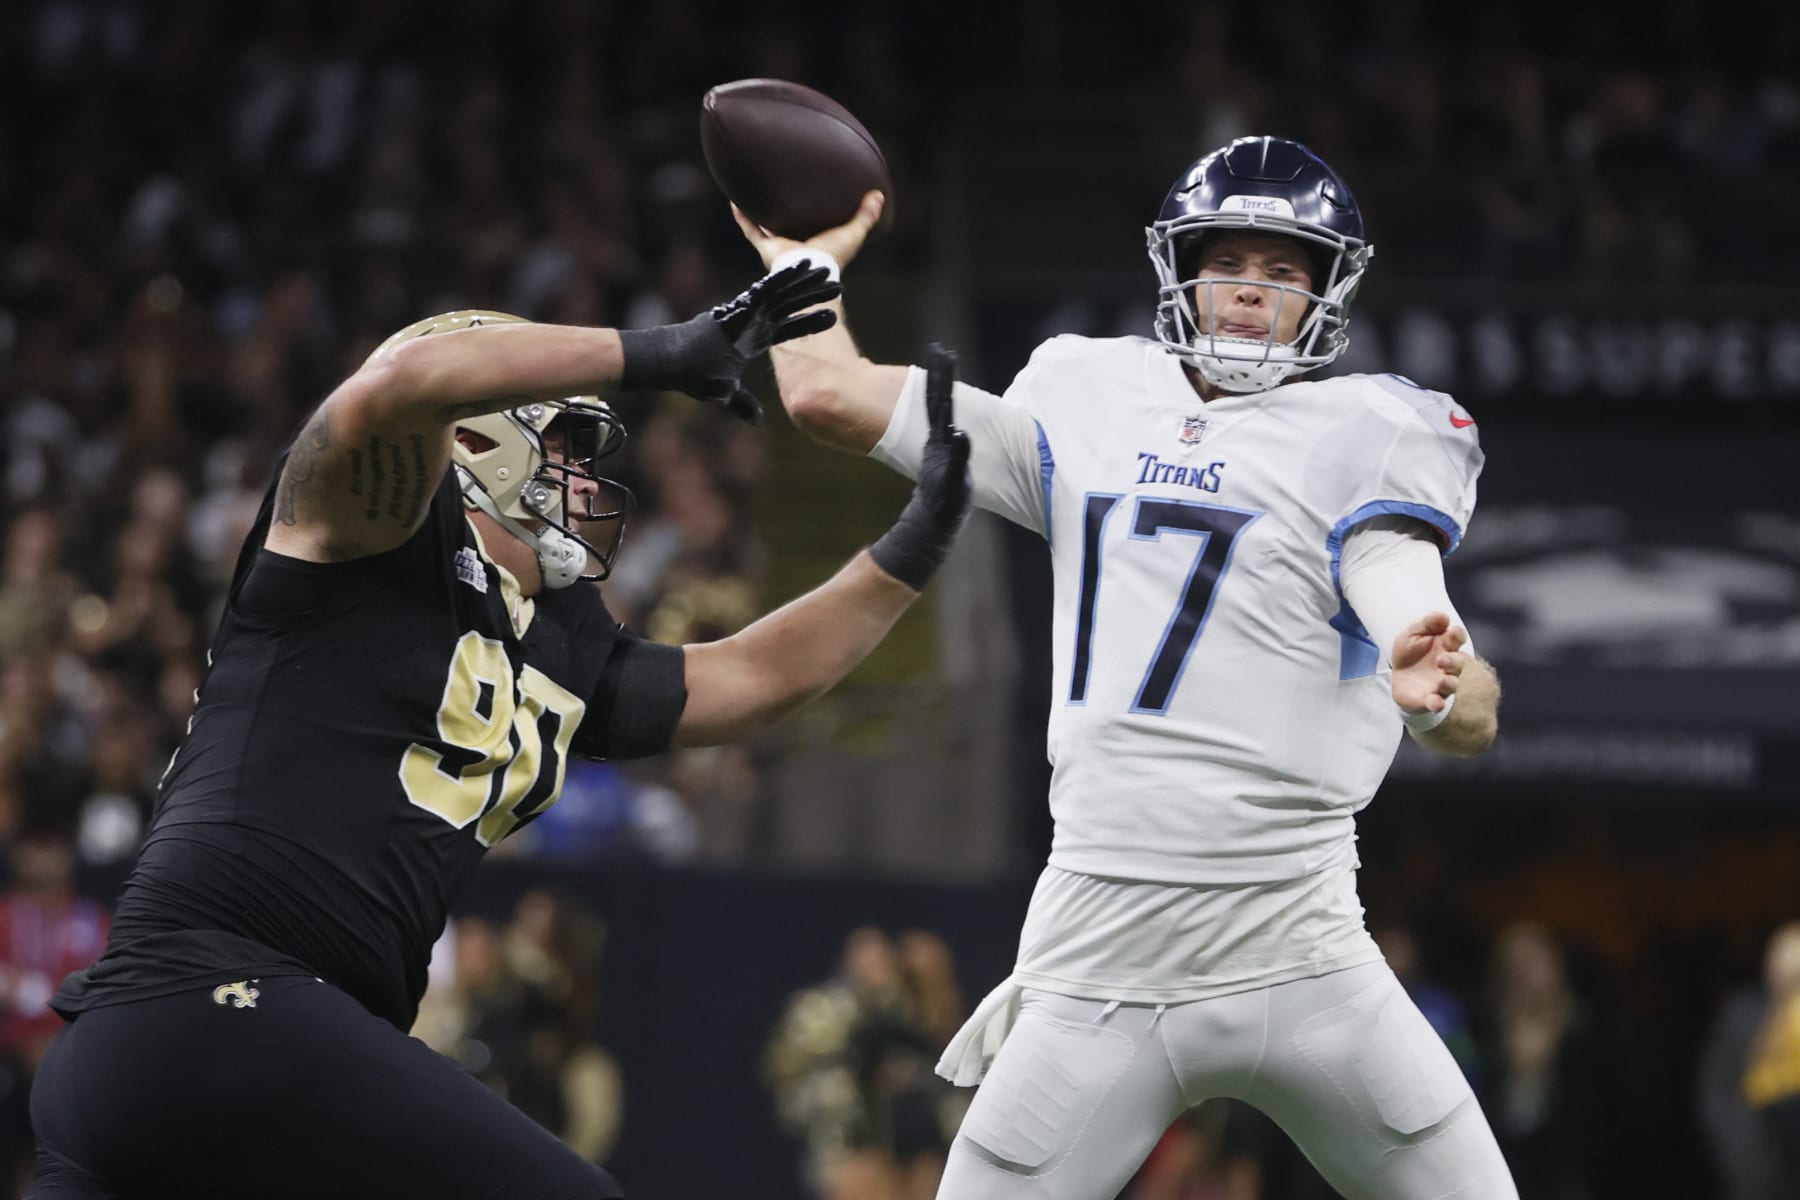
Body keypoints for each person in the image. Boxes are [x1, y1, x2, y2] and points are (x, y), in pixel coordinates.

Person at [27, 265, 974, 1200]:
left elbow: (755, 676)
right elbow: (391, 390)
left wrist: (918, 539)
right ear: (480, 437)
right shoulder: (377, 526)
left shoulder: (561, 634)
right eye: (560, 439)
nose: (581, 471)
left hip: (207, 1059)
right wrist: (662, 350)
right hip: (215, 998)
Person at [737, 136, 1516, 1198]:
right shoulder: (1085, 397)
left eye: (1283, 270)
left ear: (1326, 295)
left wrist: (1433, 684)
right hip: (1100, 959)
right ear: (1181, 268)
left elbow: (1435, 650)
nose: (1248, 291)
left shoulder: (1365, 434)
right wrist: (799, 264)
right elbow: (829, 397)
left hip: (1303, 948)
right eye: (1228, 259)